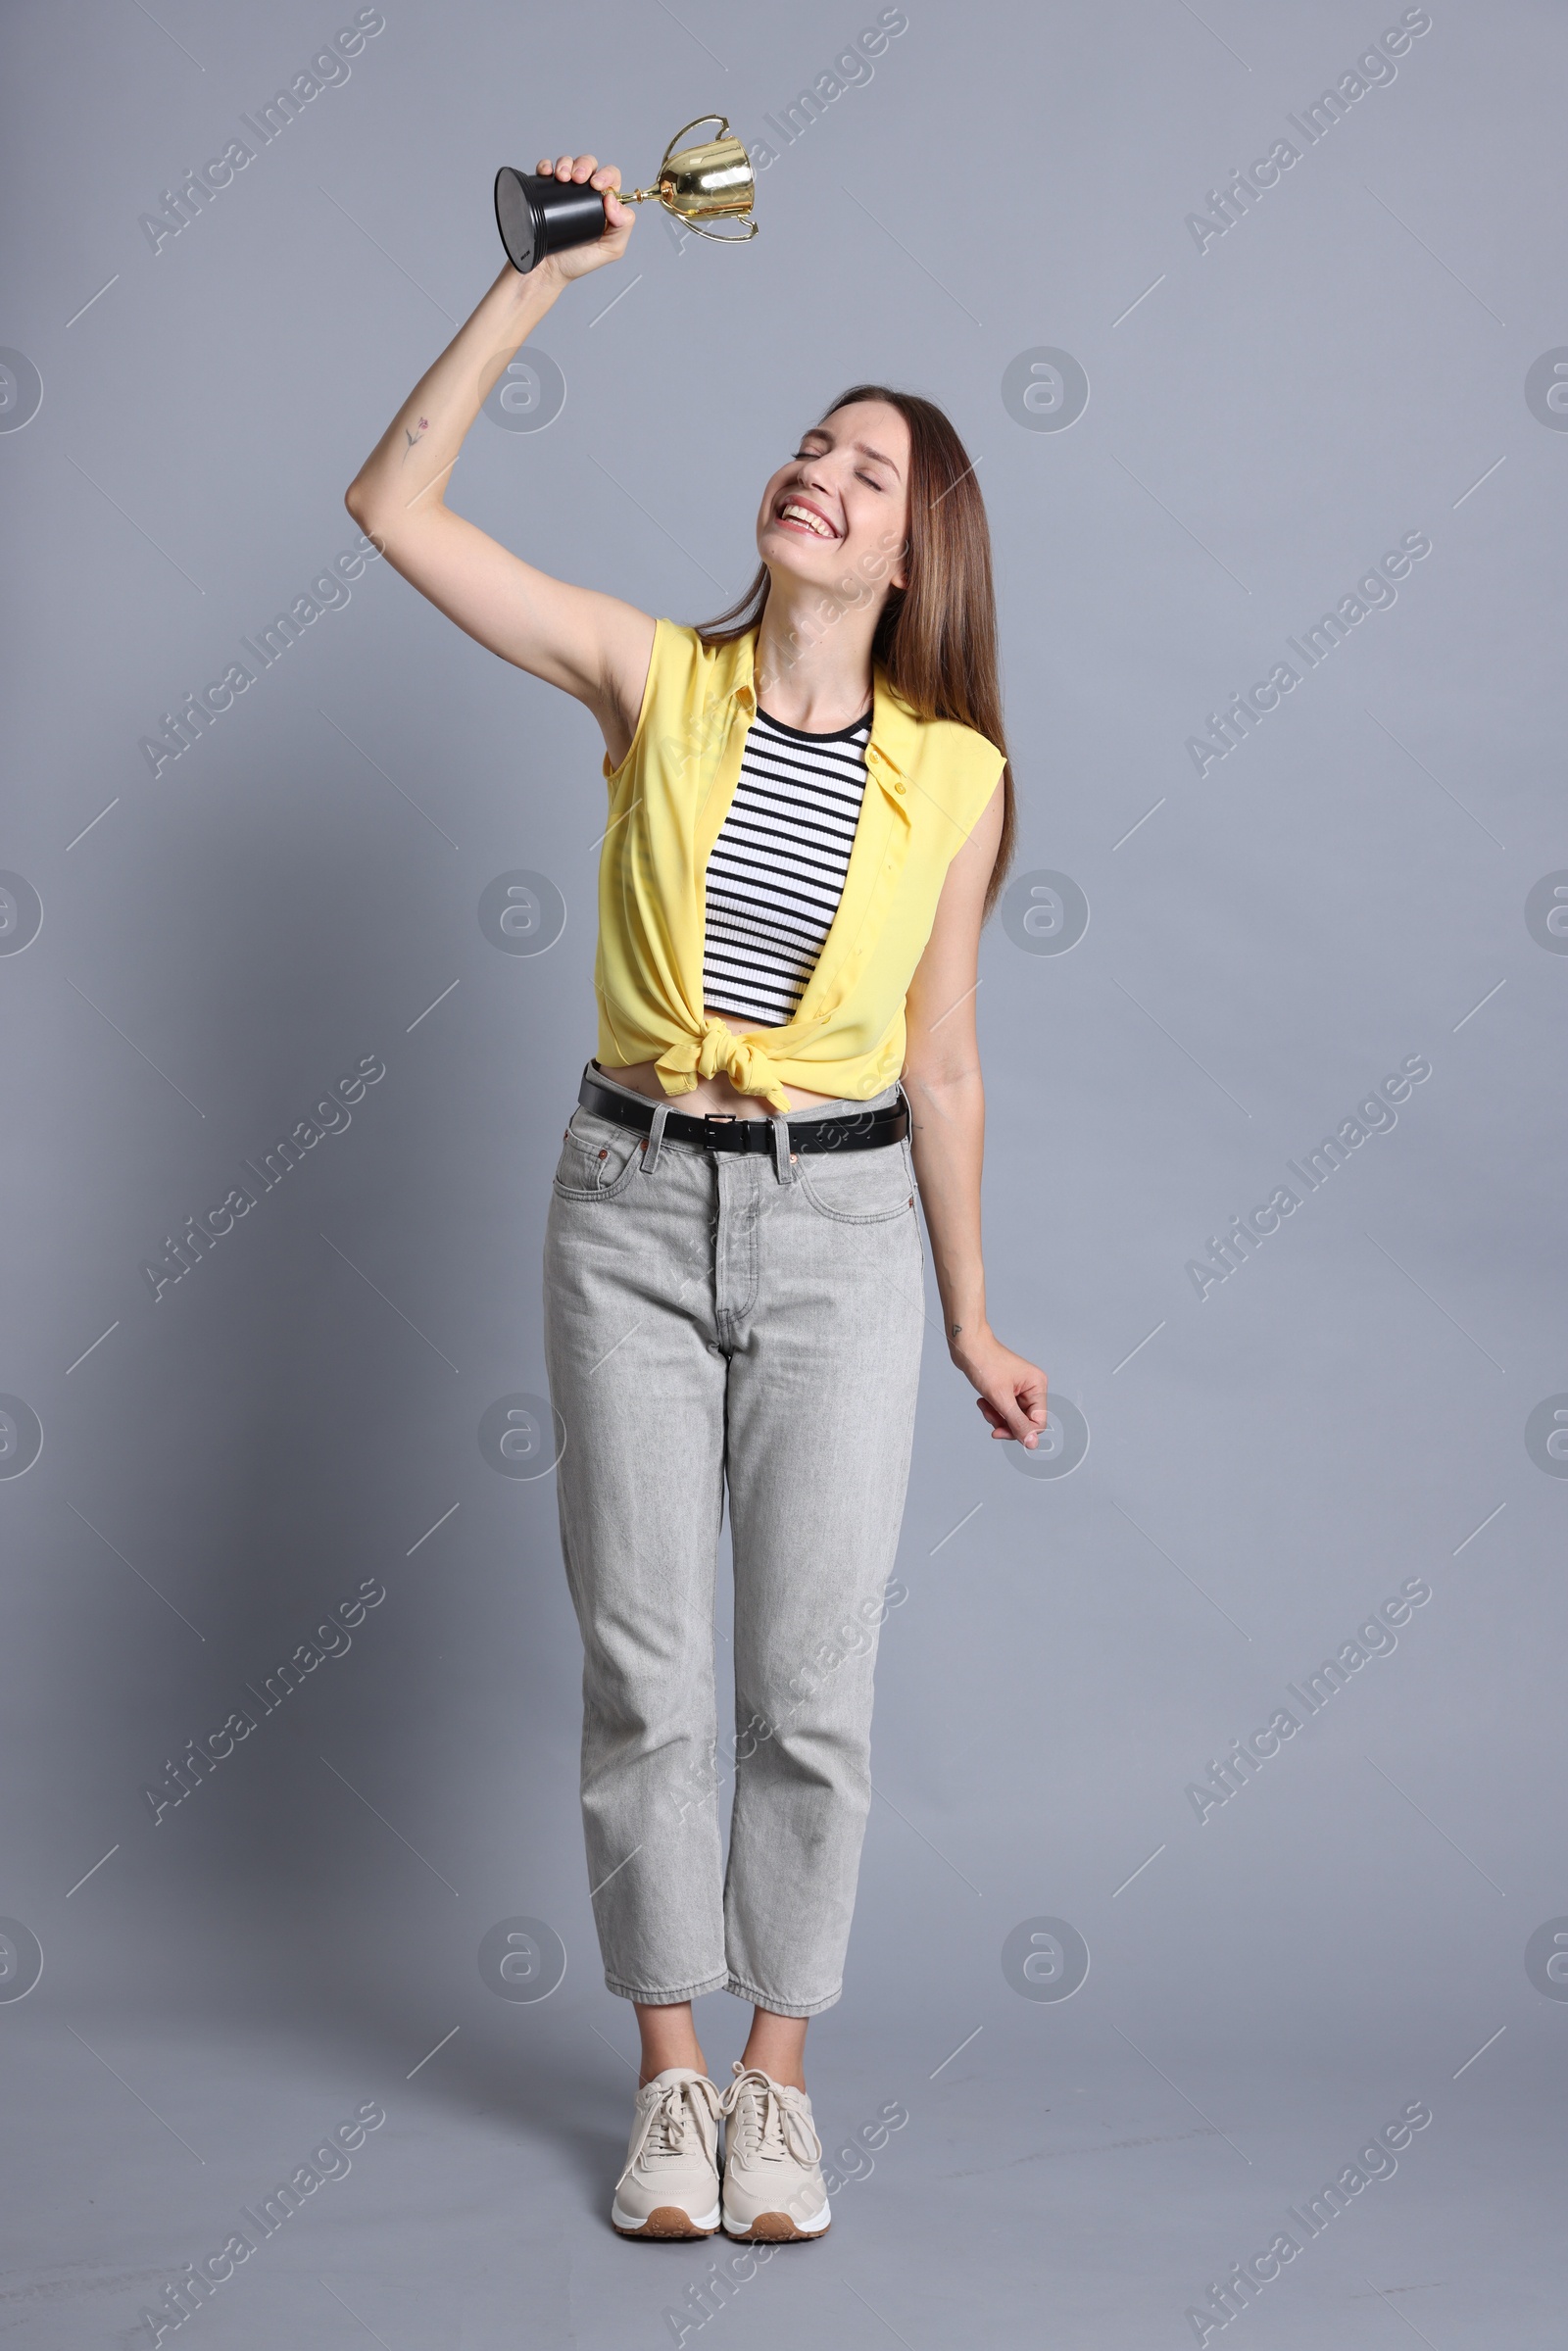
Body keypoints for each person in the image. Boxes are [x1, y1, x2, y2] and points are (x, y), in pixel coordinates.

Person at [346, 147, 1048, 2245]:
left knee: (806, 1684)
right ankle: (669, 2091)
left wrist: (970, 1312)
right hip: (627, 1206)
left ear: (917, 552)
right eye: (806, 446)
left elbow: (938, 1061)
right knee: (645, 1668)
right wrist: (531, 287)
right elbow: (393, 513)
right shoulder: (652, 678)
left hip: (836, 1233)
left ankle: (779, 2088)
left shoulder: (955, 776)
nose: (814, 474)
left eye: (863, 468)